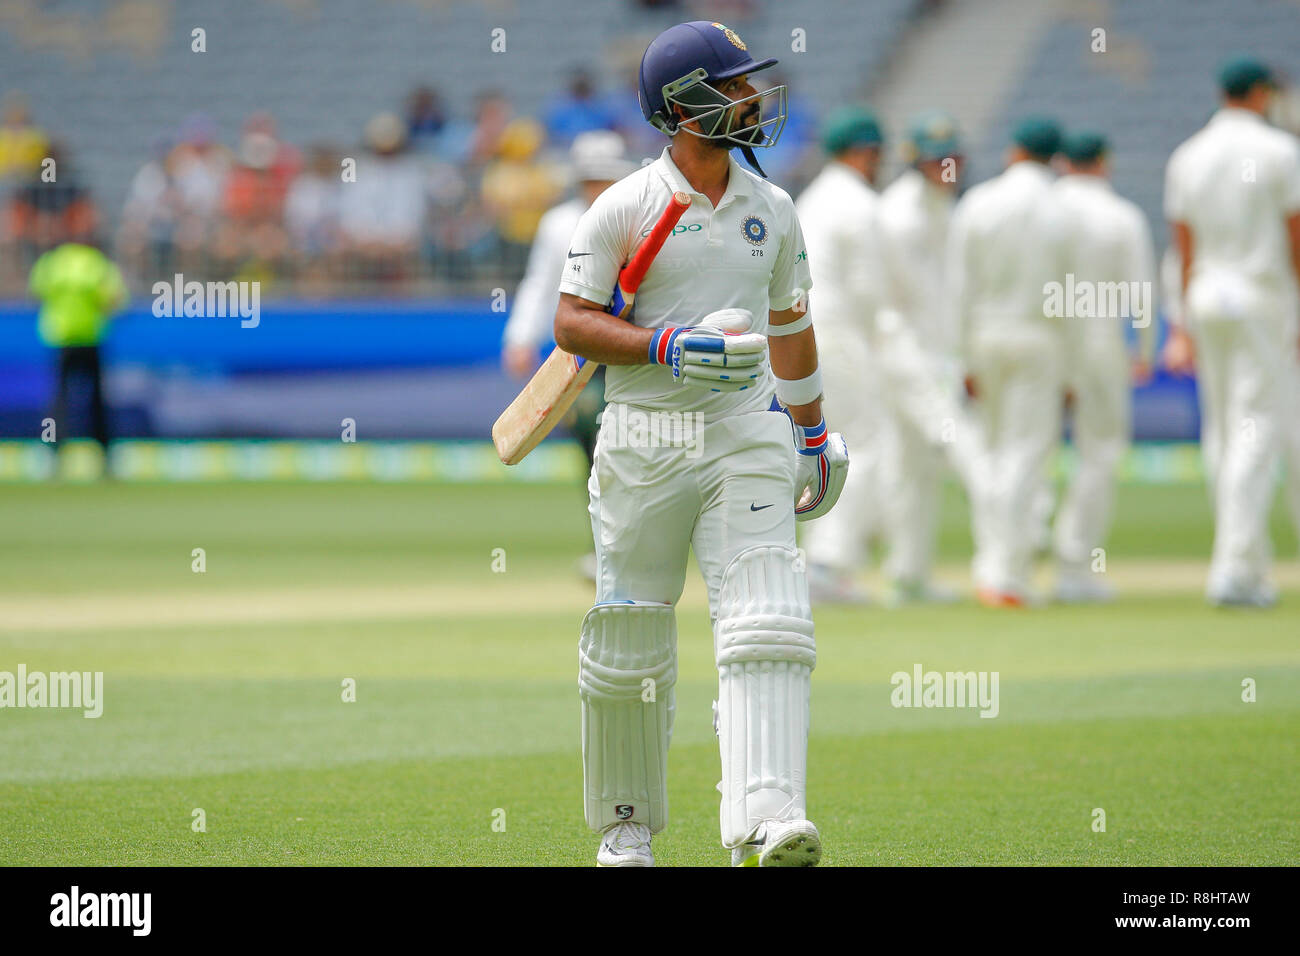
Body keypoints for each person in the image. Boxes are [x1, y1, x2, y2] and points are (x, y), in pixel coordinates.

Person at [554, 20, 847, 867]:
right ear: (682, 107)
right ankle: (626, 828)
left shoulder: (775, 208)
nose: (753, 98)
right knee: (630, 636)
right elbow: (573, 323)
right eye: (735, 86)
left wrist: (815, 431)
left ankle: (767, 817)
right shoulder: (625, 205)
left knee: (767, 612)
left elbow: (792, 326)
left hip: (745, 434)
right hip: (645, 437)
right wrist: (666, 346)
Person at [1162, 56, 1300, 607]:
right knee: (1256, 426)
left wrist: (1182, 322)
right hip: (1259, 298)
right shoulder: (1279, 151)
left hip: (1206, 296)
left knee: (1223, 430)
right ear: (1262, 94)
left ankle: (1245, 561)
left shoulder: (1188, 154)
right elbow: (1296, 239)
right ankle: (1235, 568)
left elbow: (1183, 246)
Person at [502, 131, 636, 579]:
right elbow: (542, 282)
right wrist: (521, 336)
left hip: (633, 348)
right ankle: (606, 547)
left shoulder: (639, 216)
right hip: (582, 352)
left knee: (636, 445)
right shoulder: (560, 224)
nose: (597, 188)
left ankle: (636, 545)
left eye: (605, 179)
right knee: (594, 444)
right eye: (590, 179)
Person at [948, 116, 1065, 607]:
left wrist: (962, 360)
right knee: (1023, 454)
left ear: (1015, 150)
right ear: (1053, 158)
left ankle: (991, 566)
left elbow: (958, 288)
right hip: (1038, 336)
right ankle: (1006, 572)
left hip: (985, 336)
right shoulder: (1062, 206)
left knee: (996, 451)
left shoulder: (979, 201)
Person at [873, 111, 976, 604]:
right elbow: (912, 298)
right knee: (958, 443)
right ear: (916, 162)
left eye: (952, 158)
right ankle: (1009, 555)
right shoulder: (902, 213)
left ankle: (908, 573)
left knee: (916, 467)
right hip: (904, 349)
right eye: (938, 160)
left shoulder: (943, 206)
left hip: (932, 350)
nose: (947, 168)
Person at [1049, 131, 1157, 602]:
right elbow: (1142, 292)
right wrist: (1147, 350)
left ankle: (1010, 558)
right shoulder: (1121, 216)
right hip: (1097, 341)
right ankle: (1074, 566)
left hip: (1046, 338)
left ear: (1062, 163)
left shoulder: (1045, 208)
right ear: (1104, 162)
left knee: (1025, 448)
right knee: (1100, 451)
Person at [794, 106, 887, 604]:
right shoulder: (861, 204)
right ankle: (831, 564)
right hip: (841, 331)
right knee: (861, 442)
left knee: (817, 440)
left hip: (798, 332)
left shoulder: (813, 196)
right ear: (864, 152)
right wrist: (876, 343)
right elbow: (871, 290)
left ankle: (818, 559)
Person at [29, 241, 128, 475]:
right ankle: (105, 457)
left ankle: (52, 453)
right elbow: (114, 300)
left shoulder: (52, 262)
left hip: (61, 338)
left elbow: (36, 292)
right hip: (91, 338)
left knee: (58, 401)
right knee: (97, 402)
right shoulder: (96, 263)